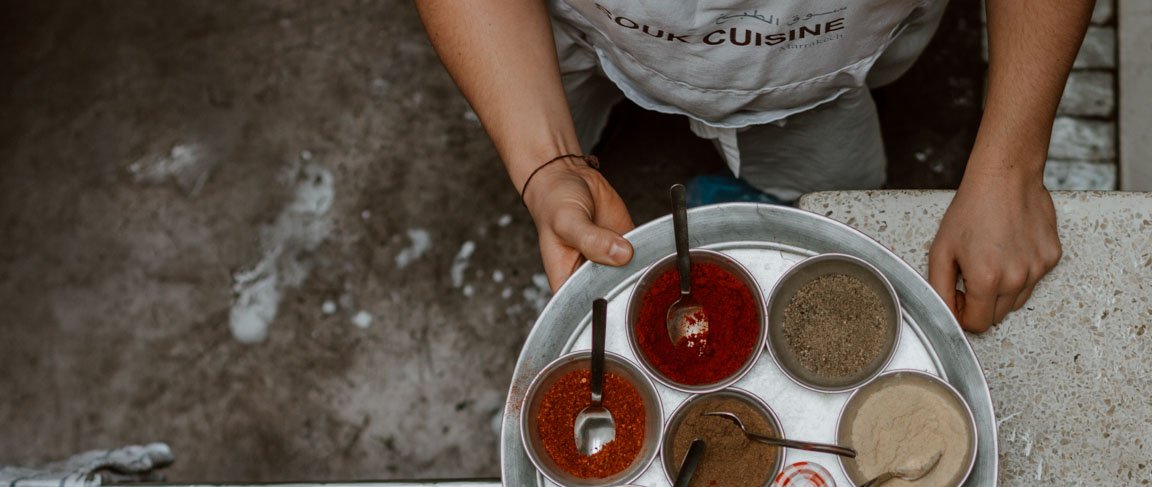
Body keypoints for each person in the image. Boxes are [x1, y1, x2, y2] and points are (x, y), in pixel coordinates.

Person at [415, 0, 1092, 332]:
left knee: (819, 176)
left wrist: (1009, 165)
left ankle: (769, 179)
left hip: (820, 67)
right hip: (580, 31)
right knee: (567, 113)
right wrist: (548, 159)